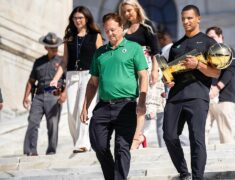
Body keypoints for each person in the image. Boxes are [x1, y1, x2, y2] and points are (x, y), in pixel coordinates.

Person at [80, 13, 148, 180]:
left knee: (122, 148)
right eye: (107, 30)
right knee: (98, 145)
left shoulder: (133, 48)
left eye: (113, 30)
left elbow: (143, 76)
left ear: (122, 28)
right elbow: (92, 83)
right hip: (103, 106)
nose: (110, 33)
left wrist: (142, 102)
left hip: (126, 106)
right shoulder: (100, 53)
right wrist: (84, 107)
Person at [162, 5, 220, 180]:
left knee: (197, 139)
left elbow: (216, 72)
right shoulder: (175, 46)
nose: (186, 21)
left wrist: (198, 65)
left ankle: (197, 177)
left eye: (190, 18)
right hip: (175, 97)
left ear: (198, 19)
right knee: (169, 135)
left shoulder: (209, 43)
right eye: (183, 18)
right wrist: (167, 79)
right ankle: (184, 174)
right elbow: (170, 72)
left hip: (197, 96)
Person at [50, 6, 103, 153]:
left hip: (89, 76)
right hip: (72, 76)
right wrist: (56, 79)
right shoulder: (69, 37)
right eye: (75, 18)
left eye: (80, 17)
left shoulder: (95, 36)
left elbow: (101, 57)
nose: (77, 20)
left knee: (83, 108)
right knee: (72, 113)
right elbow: (64, 61)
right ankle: (78, 142)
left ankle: (84, 143)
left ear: (86, 19)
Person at [119, 0, 161, 149]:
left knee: (147, 103)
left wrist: (155, 70)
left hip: (147, 67)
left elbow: (156, 51)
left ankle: (140, 136)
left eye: (129, 10)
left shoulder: (147, 26)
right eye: (124, 12)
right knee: (133, 103)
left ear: (137, 9)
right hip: (129, 70)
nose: (127, 14)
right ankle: (137, 135)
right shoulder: (123, 29)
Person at [22, 32, 66, 156]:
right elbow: (31, 81)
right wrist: (25, 96)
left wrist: (64, 94)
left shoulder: (62, 61)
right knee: (33, 122)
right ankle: (31, 150)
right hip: (39, 95)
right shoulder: (38, 62)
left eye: (56, 47)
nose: (55, 50)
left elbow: (67, 79)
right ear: (46, 47)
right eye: (52, 48)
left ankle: (51, 151)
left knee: (53, 125)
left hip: (54, 95)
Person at [156, 30, 189, 148]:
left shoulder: (166, 52)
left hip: (169, 92)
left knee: (163, 123)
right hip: (173, 91)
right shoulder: (173, 49)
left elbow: (166, 74)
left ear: (162, 40)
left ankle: (163, 148)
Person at [205, 26, 235, 144]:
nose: (210, 40)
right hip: (206, 99)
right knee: (202, 132)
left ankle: (229, 161)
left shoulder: (229, 51)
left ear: (221, 37)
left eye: (213, 37)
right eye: (208, 38)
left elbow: (231, 71)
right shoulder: (206, 54)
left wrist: (217, 88)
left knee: (225, 135)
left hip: (224, 99)